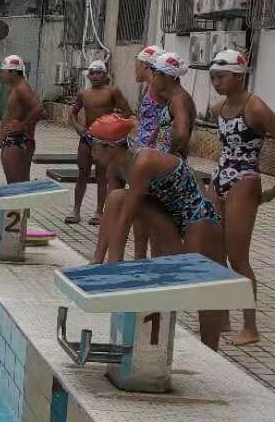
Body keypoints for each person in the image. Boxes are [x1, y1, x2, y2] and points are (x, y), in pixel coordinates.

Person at [87, 109, 228, 350]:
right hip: (170, 218)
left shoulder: (142, 163)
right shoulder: (115, 166)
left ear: (109, 147)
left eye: (93, 146)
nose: (90, 153)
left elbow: (126, 219)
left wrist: (114, 273)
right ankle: (97, 260)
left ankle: (211, 350)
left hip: (199, 218)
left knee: (203, 289)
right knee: (117, 197)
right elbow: (115, 210)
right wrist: (103, 262)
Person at [205, 49, 275, 346]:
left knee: (238, 258)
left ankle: (251, 327)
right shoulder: (219, 108)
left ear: (238, 76)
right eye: (212, 77)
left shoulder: (255, 108)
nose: (215, 82)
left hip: (245, 179)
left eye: (220, 77)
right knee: (214, 253)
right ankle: (222, 318)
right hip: (220, 175)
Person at [128, 47, 195, 258]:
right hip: (163, 167)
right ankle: (155, 268)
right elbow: (164, 127)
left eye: (155, 73)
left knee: (162, 225)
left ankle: (160, 270)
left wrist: (166, 155)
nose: (153, 77)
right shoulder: (174, 99)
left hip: (168, 171)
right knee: (157, 223)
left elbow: (182, 132)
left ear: (166, 76)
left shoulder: (180, 99)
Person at [67, 58, 132, 225]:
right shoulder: (83, 94)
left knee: (102, 177)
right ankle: (76, 210)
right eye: (93, 73)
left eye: (99, 73)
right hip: (87, 138)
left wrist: (111, 126)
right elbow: (72, 113)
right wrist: (78, 127)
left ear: (105, 75)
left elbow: (126, 112)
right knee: (82, 174)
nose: (95, 76)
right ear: (88, 76)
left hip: (104, 141)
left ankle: (98, 211)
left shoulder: (112, 92)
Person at [0, 55, 43, 183]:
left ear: (13, 72)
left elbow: (39, 108)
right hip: (9, 138)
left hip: (17, 142)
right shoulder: (14, 86)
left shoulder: (21, 88)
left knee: (15, 185)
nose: (1, 74)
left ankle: (26, 201)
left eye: (4, 71)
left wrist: (22, 125)